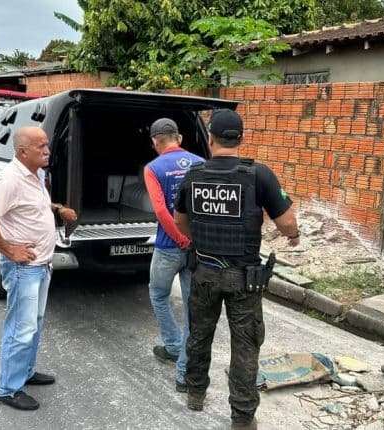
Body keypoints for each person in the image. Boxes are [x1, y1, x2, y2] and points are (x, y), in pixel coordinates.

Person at [174, 109, 300, 430]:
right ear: (241, 138)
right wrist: (293, 234)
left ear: (211, 138)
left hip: (203, 271)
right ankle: (242, 418)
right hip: (244, 278)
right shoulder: (259, 175)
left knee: (199, 334)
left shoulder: (193, 175)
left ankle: (196, 393)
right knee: (245, 344)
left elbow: (181, 224)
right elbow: (287, 224)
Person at [0, 126, 77, 411]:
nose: (47, 150)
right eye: (40, 146)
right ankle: (7, 389)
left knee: (35, 323)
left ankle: (26, 372)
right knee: (21, 328)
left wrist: (57, 209)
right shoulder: (10, 180)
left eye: (47, 145)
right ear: (22, 152)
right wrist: (9, 249)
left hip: (41, 265)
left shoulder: (36, 174)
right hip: (24, 268)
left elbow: (34, 204)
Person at [143, 118, 204, 392]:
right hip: (196, 249)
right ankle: (184, 375)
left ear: (156, 141)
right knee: (193, 308)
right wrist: (193, 240)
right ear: (178, 137)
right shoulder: (200, 162)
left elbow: (160, 211)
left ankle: (173, 345)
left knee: (158, 294)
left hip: (169, 247)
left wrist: (179, 238)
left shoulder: (153, 168)